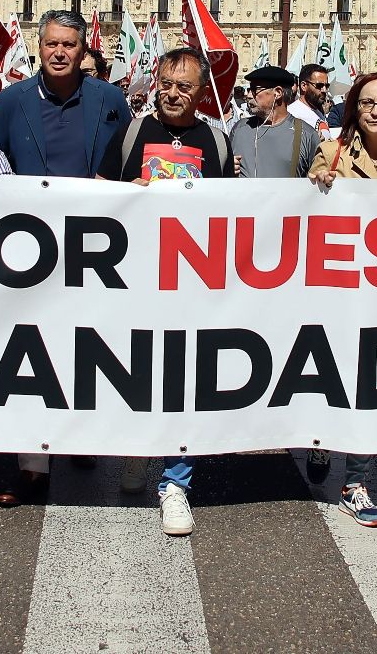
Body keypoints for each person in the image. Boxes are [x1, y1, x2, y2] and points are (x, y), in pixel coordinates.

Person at [0, 10, 131, 505]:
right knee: (30, 347)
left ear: (83, 48)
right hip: (29, 245)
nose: (60, 52)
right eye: (52, 44)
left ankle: (83, 437)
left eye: (69, 44)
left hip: (95, 245)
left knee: (86, 346)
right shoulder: (12, 100)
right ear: (38, 46)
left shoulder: (109, 100)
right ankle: (31, 463)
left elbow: (129, 160)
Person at [98, 47, 234, 536]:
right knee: (140, 373)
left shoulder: (215, 141)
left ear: (202, 94)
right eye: (166, 84)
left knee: (186, 381)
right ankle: (139, 449)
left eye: (185, 87)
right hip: (135, 277)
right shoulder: (132, 132)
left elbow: (231, 213)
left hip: (192, 281)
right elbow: (96, 196)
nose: (173, 94)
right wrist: (127, 192)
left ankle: (175, 484)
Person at [306, 72, 377, 528]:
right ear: (354, 107)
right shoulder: (332, 152)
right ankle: (320, 439)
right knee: (327, 372)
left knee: (366, 383)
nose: (376, 110)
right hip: (334, 286)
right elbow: (307, 203)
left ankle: (356, 482)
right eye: (368, 102)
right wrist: (318, 182)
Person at [231, 65, 319, 179]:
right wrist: (227, 170)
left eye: (255, 90)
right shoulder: (239, 129)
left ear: (278, 92)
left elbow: (317, 181)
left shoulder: (306, 134)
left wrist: (322, 177)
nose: (248, 95)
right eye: (249, 90)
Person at [288, 63, 333, 136]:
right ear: (304, 86)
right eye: (319, 85)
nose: (324, 90)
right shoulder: (292, 114)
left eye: (326, 86)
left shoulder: (319, 113)